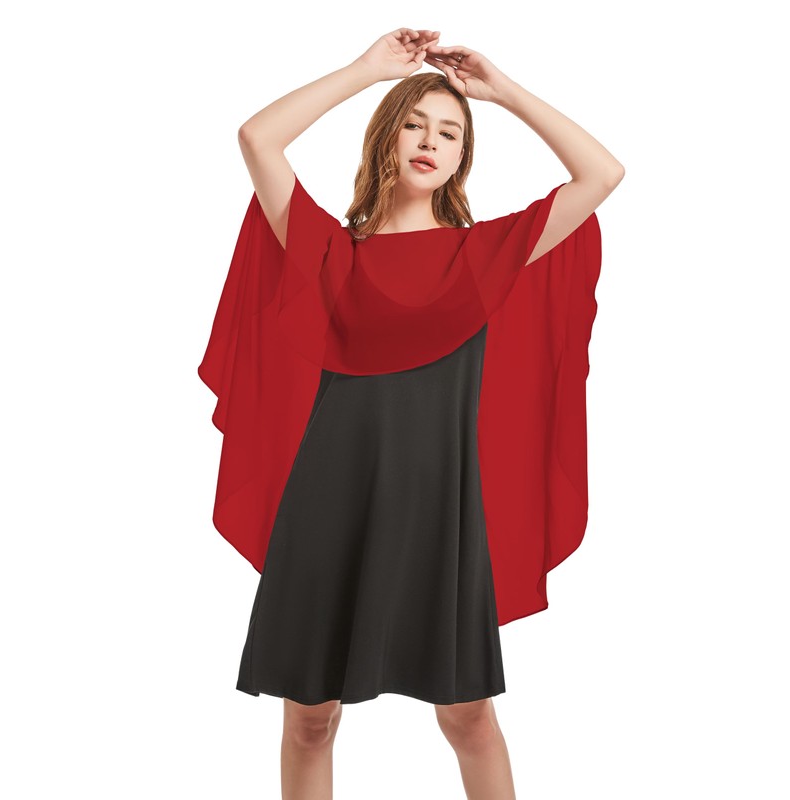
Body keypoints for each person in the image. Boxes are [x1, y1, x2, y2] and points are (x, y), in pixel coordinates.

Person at [199, 27, 624, 800]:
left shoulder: (485, 257)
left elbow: (602, 174)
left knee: (468, 718)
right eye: (415, 125)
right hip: (327, 507)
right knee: (309, 721)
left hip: (442, 514)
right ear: (386, 139)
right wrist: (366, 70)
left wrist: (504, 91)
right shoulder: (328, 253)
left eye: (450, 132)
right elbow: (258, 137)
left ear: (463, 157)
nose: (431, 141)